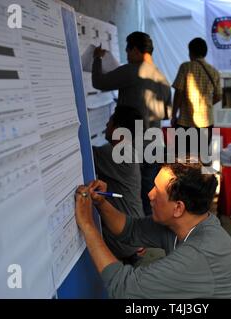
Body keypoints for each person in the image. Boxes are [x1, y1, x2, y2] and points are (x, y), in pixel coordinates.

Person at [74, 161, 231, 298]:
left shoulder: (200, 252)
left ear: (178, 208)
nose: (149, 194)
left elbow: (124, 289)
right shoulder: (186, 222)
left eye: (157, 191)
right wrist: (101, 203)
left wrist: (88, 225)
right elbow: (130, 230)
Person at [92, 31, 172, 216]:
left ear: (135, 50)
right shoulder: (163, 79)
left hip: (132, 146)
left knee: (129, 197)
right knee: (149, 197)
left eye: (128, 51)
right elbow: (165, 115)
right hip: (155, 145)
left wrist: (97, 59)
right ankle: (149, 235)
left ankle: (136, 238)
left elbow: (99, 82)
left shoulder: (133, 70)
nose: (127, 56)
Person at [92, 105, 145, 265]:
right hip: (135, 234)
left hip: (124, 239)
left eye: (109, 122)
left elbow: (83, 152)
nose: (106, 126)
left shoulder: (115, 154)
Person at [171, 37, 222, 158]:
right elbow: (219, 96)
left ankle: (185, 177)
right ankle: (200, 177)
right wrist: (207, 104)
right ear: (205, 53)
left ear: (191, 52)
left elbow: (178, 92)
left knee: (184, 158)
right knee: (201, 158)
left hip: (185, 122)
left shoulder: (185, 67)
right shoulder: (214, 71)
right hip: (206, 123)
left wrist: (174, 115)